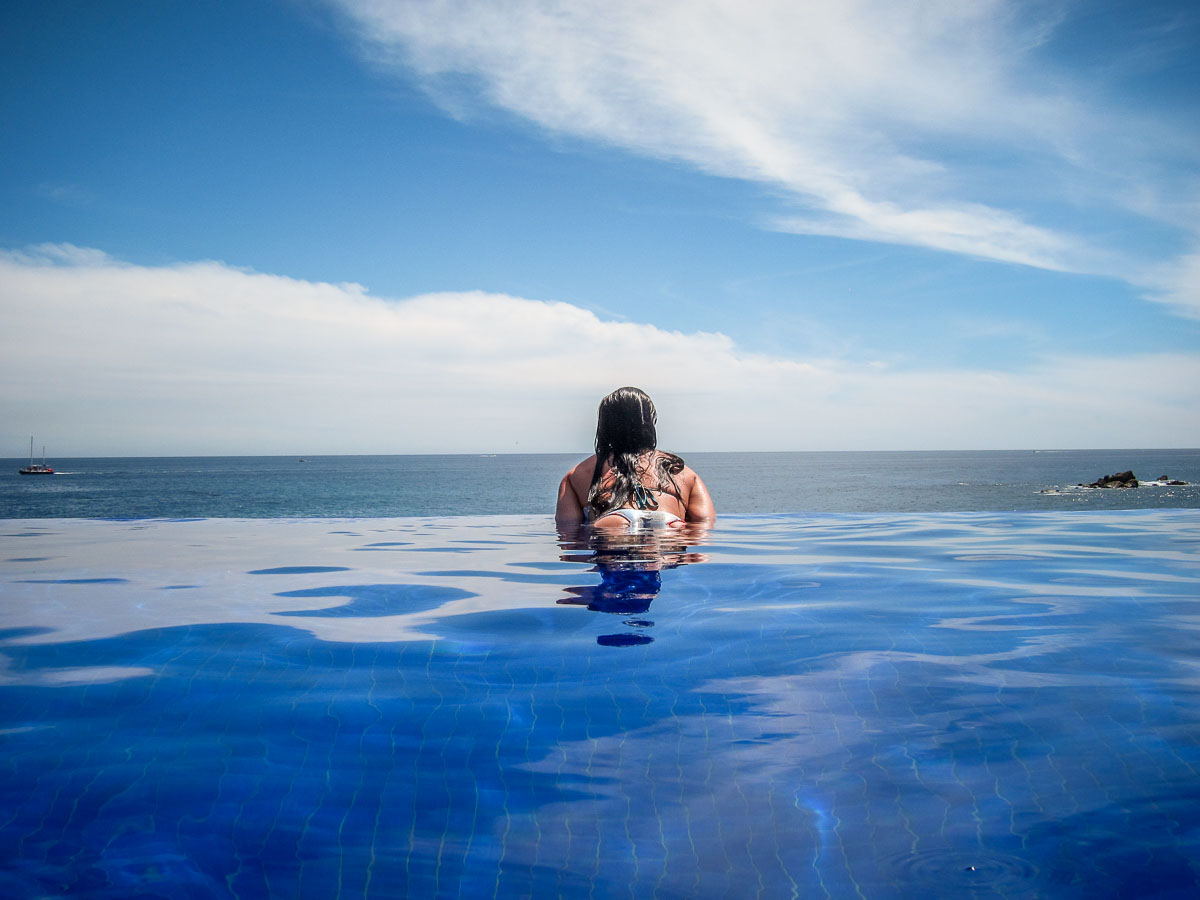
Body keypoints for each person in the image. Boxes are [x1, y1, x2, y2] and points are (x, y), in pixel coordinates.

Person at [555, 386, 715, 529]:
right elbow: (704, 523)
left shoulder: (576, 475)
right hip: (669, 523)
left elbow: (568, 534)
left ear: (604, 424)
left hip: (612, 523)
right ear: (649, 422)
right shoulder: (683, 473)